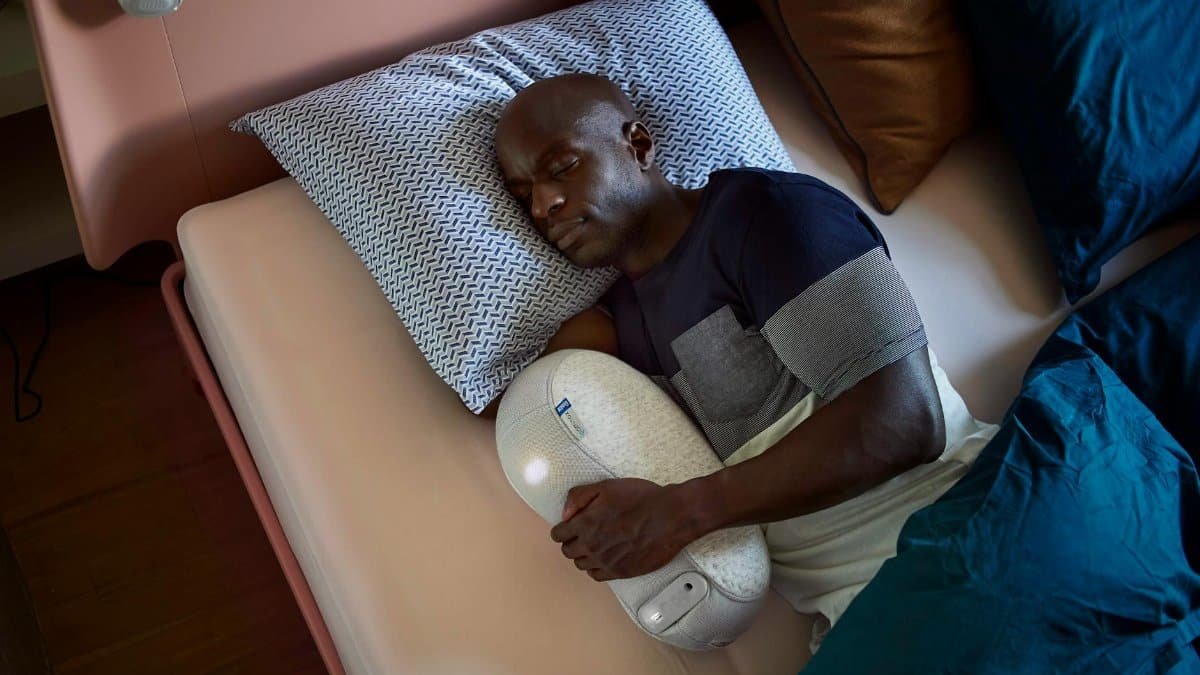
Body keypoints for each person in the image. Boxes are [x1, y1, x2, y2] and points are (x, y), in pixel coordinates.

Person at [489, 73, 996, 648]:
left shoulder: (768, 215)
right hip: (865, 622)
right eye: (522, 195)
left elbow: (904, 421)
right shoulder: (616, 329)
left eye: (561, 168)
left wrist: (676, 514)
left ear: (639, 146)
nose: (543, 205)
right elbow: (507, 403)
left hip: (970, 532)